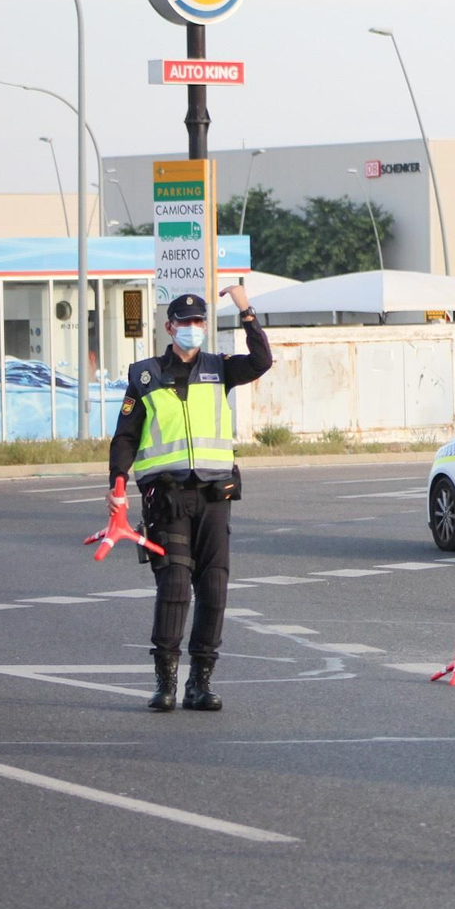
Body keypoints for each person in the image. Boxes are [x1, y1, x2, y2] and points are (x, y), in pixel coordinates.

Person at [109, 285, 272, 712]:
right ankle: (165, 682)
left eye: (200, 321)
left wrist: (245, 309)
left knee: (214, 589)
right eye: (186, 322)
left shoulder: (220, 369)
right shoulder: (145, 376)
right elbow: (124, 438)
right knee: (176, 587)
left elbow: (261, 361)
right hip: (167, 498)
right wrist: (117, 484)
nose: (194, 328)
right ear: (170, 327)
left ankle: (200, 682)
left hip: (215, 496)